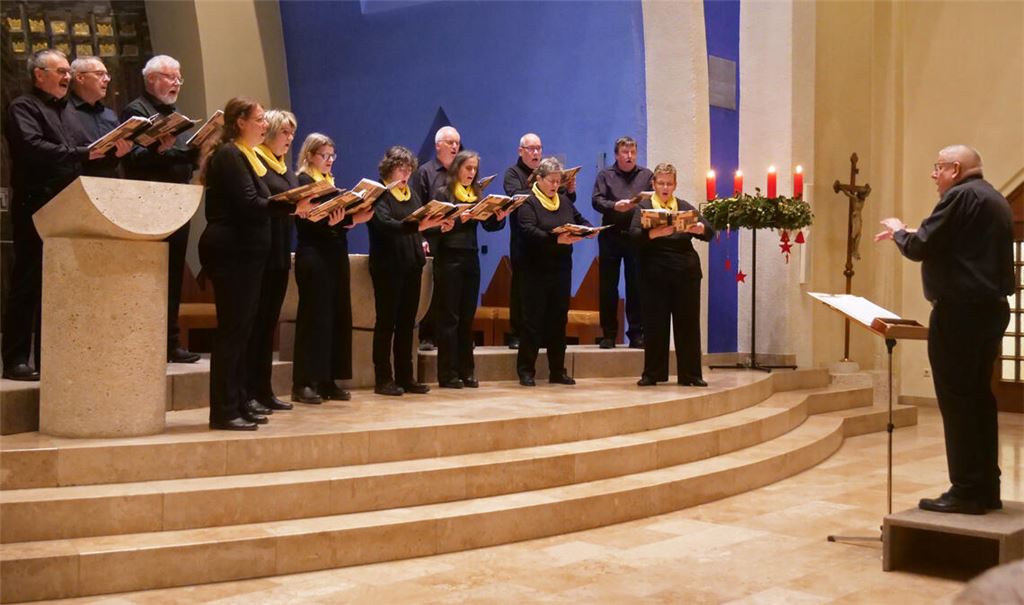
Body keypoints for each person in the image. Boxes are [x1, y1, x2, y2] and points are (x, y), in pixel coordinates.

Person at [875, 145, 1013, 515]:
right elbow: (957, 243)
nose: (934, 175)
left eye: (938, 167)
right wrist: (912, 234)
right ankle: (986, 487)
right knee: (978, 399)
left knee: (957, 401)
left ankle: (966, 490)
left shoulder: (960, 196)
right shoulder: (993, 198)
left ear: (955, 168)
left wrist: (899, 231)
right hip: (989, 310)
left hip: (960, 313)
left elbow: (921, 246)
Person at [197, 97, 310, 431]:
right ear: (240, 122)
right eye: (259, 119)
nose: (264, 125)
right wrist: (291, 207)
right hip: (233, 252)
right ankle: (223, 410)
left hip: (247, 254)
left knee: (243, 332)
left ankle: (239, 402)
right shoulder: (230, 155)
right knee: (232, 333)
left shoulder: (244, 156)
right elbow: (249, 203)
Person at [2, 49, 109, 381]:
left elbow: (85, 152)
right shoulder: (24, 107)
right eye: (60, 71)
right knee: (28, 282)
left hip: (68, 202)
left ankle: (52, 357)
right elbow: (32, 148)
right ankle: (16, 359)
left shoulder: (69, 111)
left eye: (68, 71)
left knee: (60, 285)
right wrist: (83, 153)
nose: (67, 77)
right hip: (35, 203)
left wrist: (112, 151)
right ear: (39, 75)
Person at [121, 55, 201, 364]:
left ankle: (170, 342)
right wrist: (164, 151)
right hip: (150, 201)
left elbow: (183, 156)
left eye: (179, 77)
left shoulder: (176, 115)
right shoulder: (137, 111)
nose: (177, 83)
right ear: (152, 79)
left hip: (177, 198)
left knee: (173, 273)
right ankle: (149, 341)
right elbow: (133, 159)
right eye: (170, 77)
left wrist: (196, 151)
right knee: (152, 274)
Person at [291, 133, 372, 404]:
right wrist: (338, 220)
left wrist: (353, 218)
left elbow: (335, 222)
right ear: (309, 156)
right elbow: (305, 222)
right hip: (314, 253)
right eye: (323, 156)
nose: (329, 160)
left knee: (337, 316)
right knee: (314, 318)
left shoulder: (331, 183)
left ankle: (328, 379)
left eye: (331, 156)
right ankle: (304, 381)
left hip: (335, 253)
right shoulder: (304, 182)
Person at [368, 146, 449, 396]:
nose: (405, 174)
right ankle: (383, 378)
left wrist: (433, 226)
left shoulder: (411, 194)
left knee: (407, 323)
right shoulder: (379, 194)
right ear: (389, 169)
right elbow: (386, 225)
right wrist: (418, 226)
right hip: (388, 266)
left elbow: (418, 225)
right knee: (386, 323)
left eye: (408, 169)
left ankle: (406, 376)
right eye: (400, 169)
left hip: (411, 264)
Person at [629, 163, 714, 387]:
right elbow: (633, 236)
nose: (665, 187)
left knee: (688, 324)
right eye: (661, 183)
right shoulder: (644, 207)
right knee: (655, 323)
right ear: (654, 184)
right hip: (654, 273)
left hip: (685, 273)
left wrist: (700, 229)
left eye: (669, 183)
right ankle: (653, 373)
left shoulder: (683, 207)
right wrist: (654, 234)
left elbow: (710, 231)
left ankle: (691, 374)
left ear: (675, 185)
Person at [431, 150, 507, 388]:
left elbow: (489, 226)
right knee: (450, 318)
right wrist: (458, 220)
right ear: (457, 169)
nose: (472, 173)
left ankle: (467, 370)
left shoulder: (476, 194)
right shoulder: (444, 193)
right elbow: (433, 228)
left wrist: (499, 216)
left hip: (470, 257)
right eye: (468, 168)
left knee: (467, 317)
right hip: (449, 258)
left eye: (474, 169)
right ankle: (448, 373)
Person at [515, 157, 593, 386]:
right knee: (532, 321)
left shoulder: (564, 201)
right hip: (535, 270)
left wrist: (589, 230)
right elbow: (527, 230)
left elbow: (579, 219)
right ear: (539, 179)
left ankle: (557, 370)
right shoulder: (528, 202)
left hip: (561, 269)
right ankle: (526, 371)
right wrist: (555, 239)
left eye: (558, 181)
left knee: (558, 321)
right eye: (551, 180)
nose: (555, 185)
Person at [248, 109, 302, 412]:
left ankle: (264, 389)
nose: (290, 138)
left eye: (292, 133)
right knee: (255, 325)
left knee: (269, 324)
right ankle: (249, 391)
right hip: (261, 252)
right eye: (285, 132)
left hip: (280, 252)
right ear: (268, 132)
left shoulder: (284, 167)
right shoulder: (256, 162)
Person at [502, 132, 576, 350]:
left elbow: (563, 204)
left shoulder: (549, 177)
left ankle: (544, 336)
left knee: (549, 296)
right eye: (531, 149)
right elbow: (517, 196)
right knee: (521, 286)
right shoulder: (513, 173)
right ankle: (517, 332)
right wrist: (537, 183)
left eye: (539, 148)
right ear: (521, 151)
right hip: (524, 239)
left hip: (551, 244)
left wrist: (568, 190)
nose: (536, 153)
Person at [592, 136, 652, 349]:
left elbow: (654, 200)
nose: (629, 156)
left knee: (636, 285)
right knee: (608, 286)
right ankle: (609, 334)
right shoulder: (605, 175)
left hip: (636, 236)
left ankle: (636, 333)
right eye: (625, 152)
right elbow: (596, 200)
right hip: (611, 235)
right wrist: (615, 206)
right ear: (617, 155)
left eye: (633, 152)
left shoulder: (646, 175)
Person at [409, 125, 460, 352]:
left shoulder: (460, 173)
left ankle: (448, 337)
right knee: (432, 288)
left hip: (454, 238)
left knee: (451, 289)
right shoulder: (425, 172)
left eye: (457, 143)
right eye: (450, 142)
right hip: (432, 238)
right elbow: (416, 206)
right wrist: (420, 237)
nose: (455, 146)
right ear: (438, 145)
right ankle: (427, 335)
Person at [68, 56, 133, 178]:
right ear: (80, 78)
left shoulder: (109, 115)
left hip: (109, 182)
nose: (107, 79)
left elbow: (112, 159)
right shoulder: (63, 112)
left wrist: (121, 152)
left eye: (107, 75)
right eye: (100, 74)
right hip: (77, 182)